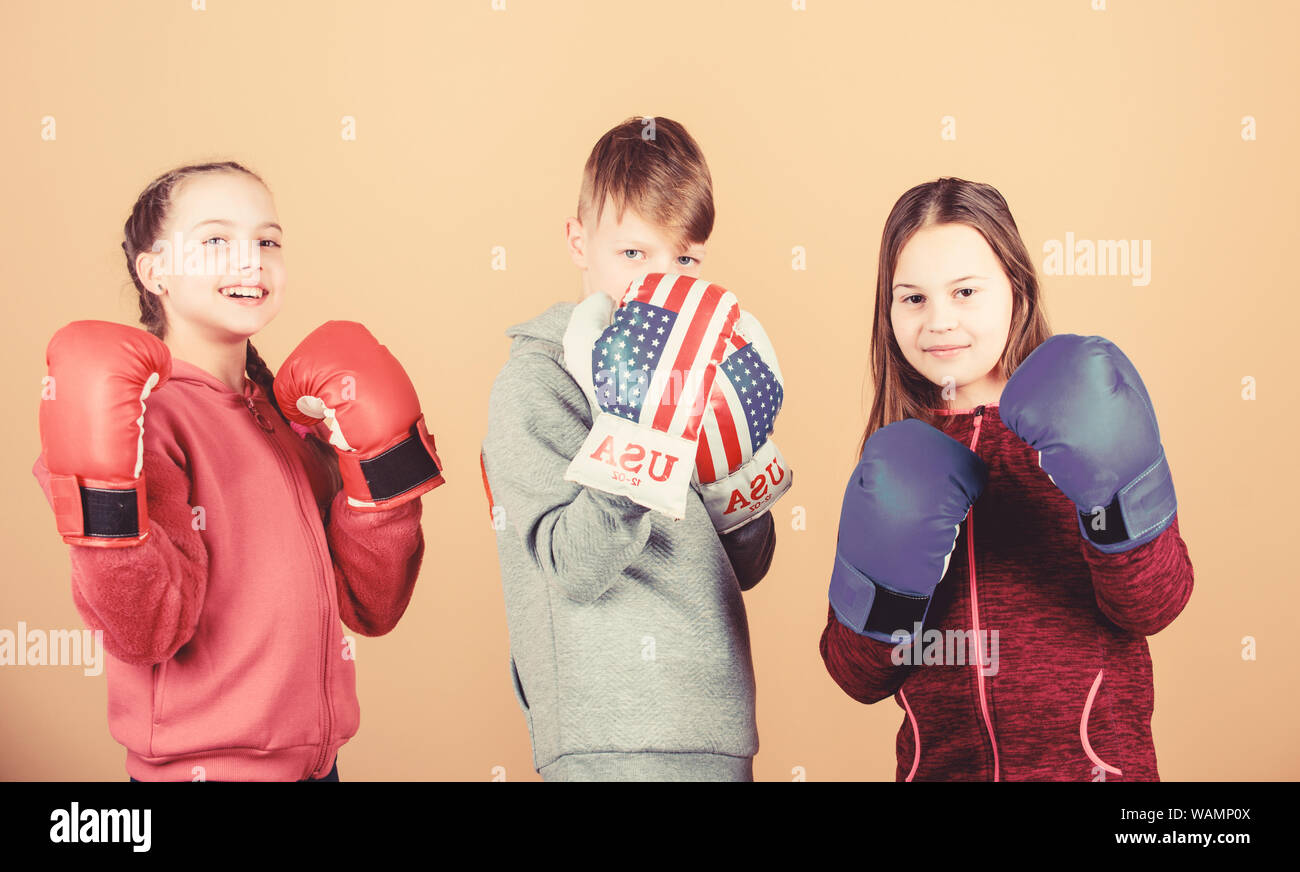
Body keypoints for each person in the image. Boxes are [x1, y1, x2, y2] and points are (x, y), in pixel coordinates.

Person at [32, 161, 442, 781]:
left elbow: (373, 604)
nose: (250, 260)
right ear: (154, 271)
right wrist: (105, 504)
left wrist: (383, 484)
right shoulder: (148, 419)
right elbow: (144, 633)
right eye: (217, 240)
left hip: (318, 766)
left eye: (267, 241)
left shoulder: (293, 412)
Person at [820, 177, 1194, 781]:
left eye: (965, 291)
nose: (940, 321)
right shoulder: (896, 458)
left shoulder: (1078, 416)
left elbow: (1155, 603)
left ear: (1016, 290)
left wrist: (1115, 503)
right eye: (913, 298)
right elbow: (857, 675)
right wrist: (888, 593)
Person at [480, 117, 789, 781]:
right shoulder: (538, 378)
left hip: (717, 725)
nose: (661, 284)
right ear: (578, 241)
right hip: (607, 733)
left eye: (684, 260)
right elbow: (573, 568)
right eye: (633, 255)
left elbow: (751, 564)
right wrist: (641, 433)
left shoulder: (706, 364)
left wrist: (736, 459)